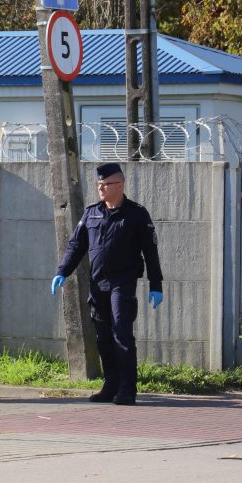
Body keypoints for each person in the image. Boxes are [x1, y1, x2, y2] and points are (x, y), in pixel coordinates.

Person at [51, 162, 164, 405]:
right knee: (102, 337)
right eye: (98, 184)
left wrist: (156, 284)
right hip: (98, 283)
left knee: (121, 333)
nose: (100, 188)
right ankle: (111, 384)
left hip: (122, 283)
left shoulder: (136, 214)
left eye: (105, 184)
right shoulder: (92, 212)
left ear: (120, 185)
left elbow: (150, 251)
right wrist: (63, 271)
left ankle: (127, 388)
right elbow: (76, 245)